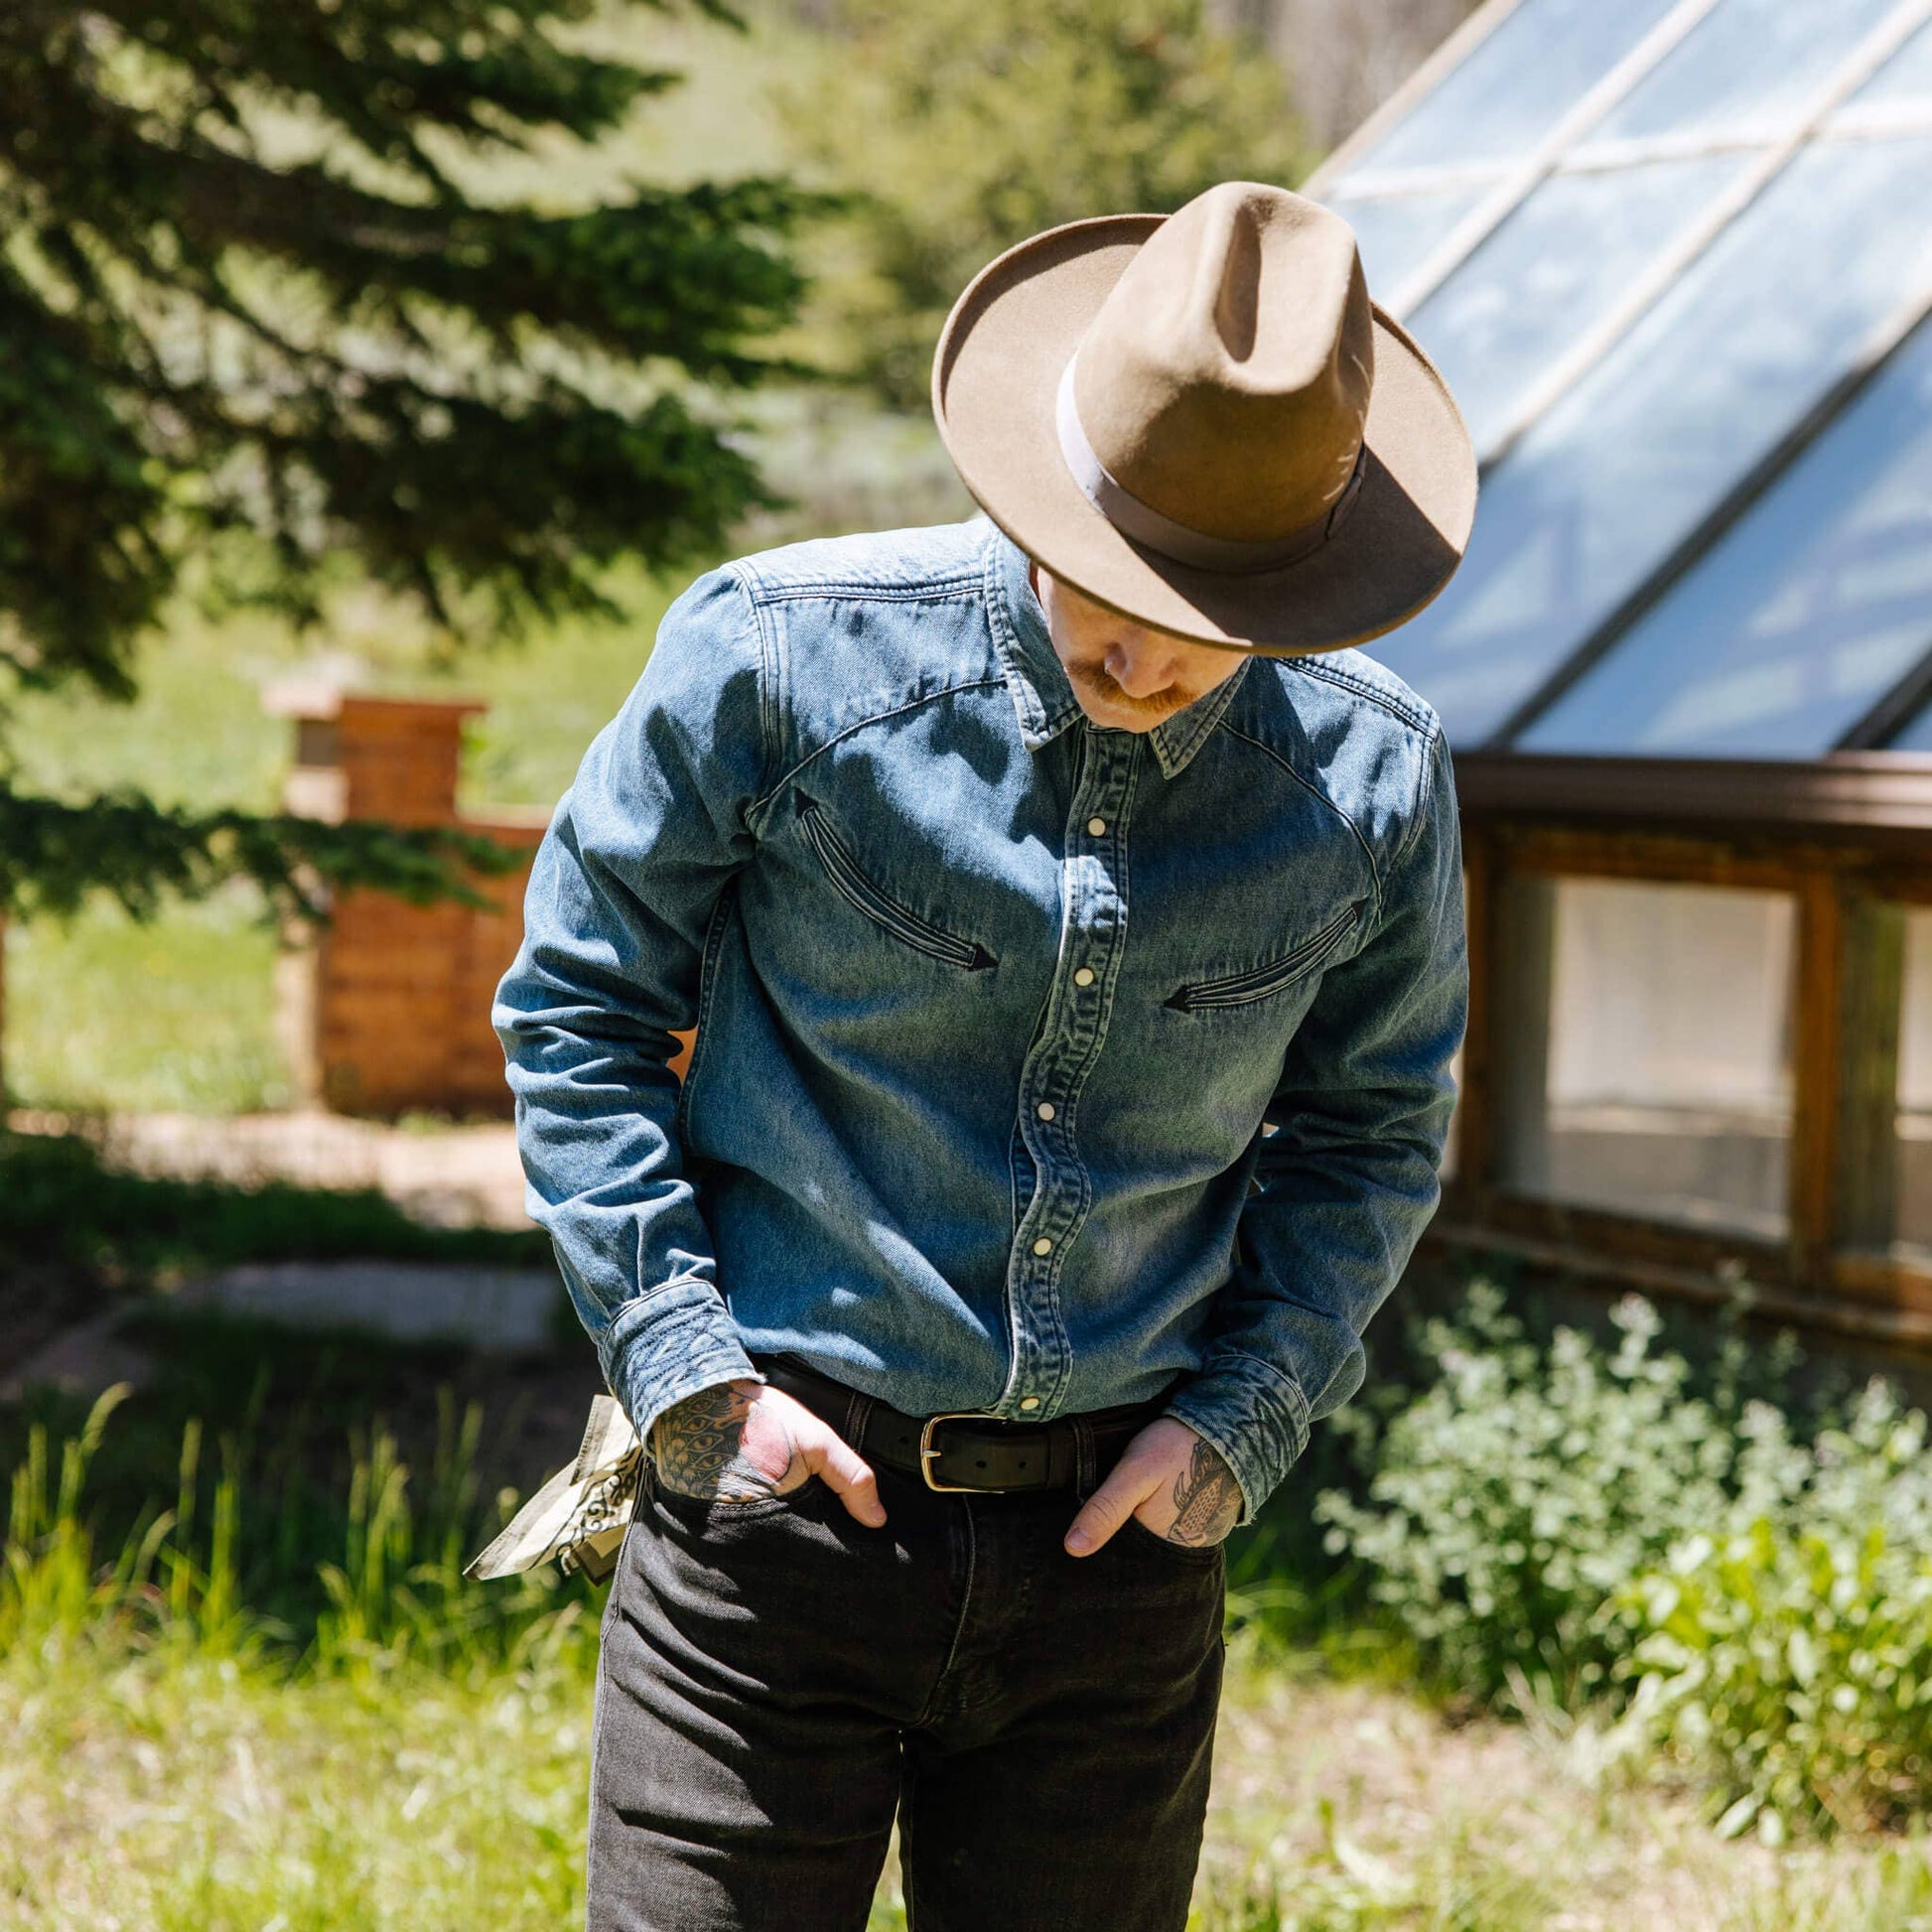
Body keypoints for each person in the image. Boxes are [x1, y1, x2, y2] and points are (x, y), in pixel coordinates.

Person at [493, 179, 1476, 1932]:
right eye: (1114, 576)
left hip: (1119, 1558)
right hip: (773, 1517)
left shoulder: (1378, 784)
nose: (1148, 648)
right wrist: (688, 1367)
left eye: (1220, 607)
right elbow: (577, 1003)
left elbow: (1373, 1130)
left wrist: (1238, 1427)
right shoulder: (778, 659)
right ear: (1045, 477)